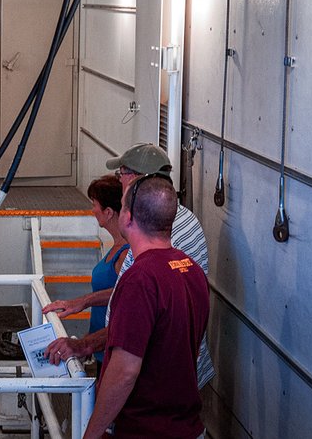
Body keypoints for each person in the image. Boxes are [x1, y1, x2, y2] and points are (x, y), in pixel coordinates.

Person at [45, 143, 214, 390]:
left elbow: (134, 323)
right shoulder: (187, 220)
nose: (119, 182)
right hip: (185, 372)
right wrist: (85, 301)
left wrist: (83, 346)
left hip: (156, 385)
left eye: (121, 174)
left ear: (134, 180)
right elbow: (144, 299)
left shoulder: (149, 244)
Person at [83, 174, 209, 439]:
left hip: (146, 430)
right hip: (187, 427)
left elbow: (125, 371)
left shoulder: (140, 279)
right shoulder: (192, 270)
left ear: (127, 217)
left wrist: (93, 433)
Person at [42, 175, 128, 374]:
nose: (92, 210)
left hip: (114, 352)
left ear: (108, 212)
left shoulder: (125, 254)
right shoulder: (117, 247)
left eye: (94, 204)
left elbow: (125, 296)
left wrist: (84, 303)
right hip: (101, 346)